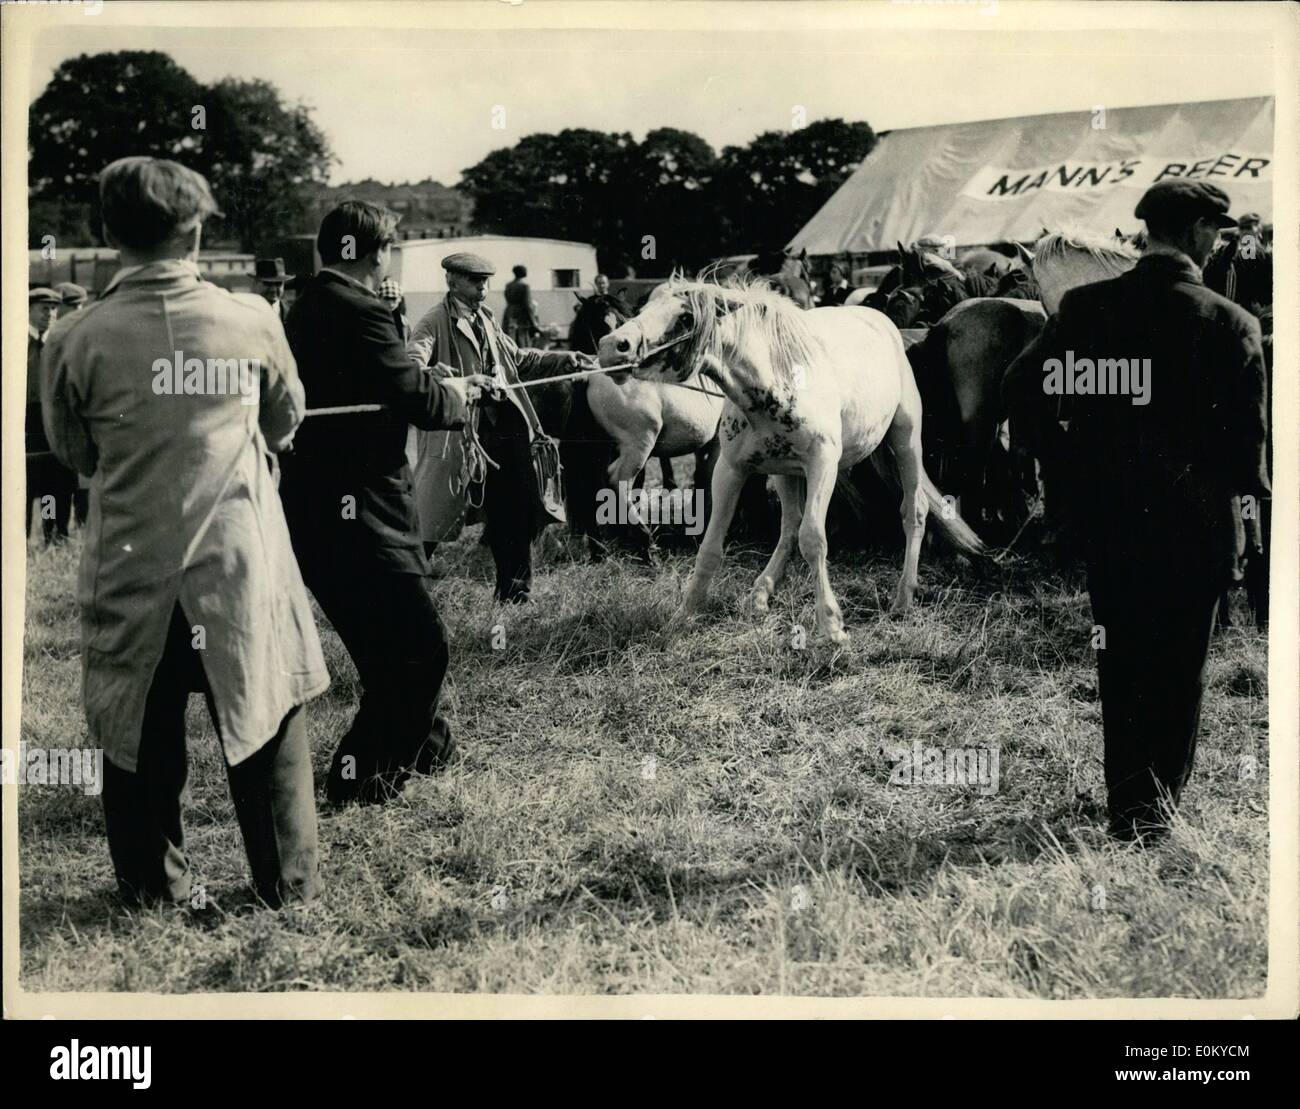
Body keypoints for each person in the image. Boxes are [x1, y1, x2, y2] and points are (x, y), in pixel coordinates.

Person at [41, 156, 329, 908]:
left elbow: (73, 453)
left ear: (107, 232)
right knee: (265, 715)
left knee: (137, 733)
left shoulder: (71, 337)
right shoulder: (253, 319)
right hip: (236, 562)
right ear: (197, 230)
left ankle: (153, 887)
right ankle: (285, 886)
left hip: (131, 565)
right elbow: (285, 421)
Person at [1003, 179, 1269, 843]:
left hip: (1110, 521)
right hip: (1198, 527)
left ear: (1149, 229)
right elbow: (1248, 456)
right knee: (1180, 669)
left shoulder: (1087, 309)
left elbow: (1020, 388)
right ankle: (1159, 810)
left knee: (1121, 663)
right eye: (1216, 230)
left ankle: (1126, 808)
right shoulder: (1232, 323)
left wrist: (1065, 466)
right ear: (1202, 234)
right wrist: (1251, 531)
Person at [279, 201, 492, 805]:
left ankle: (429, 748)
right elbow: (415, 397)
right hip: (363, 515)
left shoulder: (305, 307)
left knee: (385, 654)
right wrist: (459, 393)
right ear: (376, 253)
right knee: (422, 649)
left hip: (311, 514)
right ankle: (361, 782)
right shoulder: (364, 311)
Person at [407, 252, 592, 603]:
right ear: (452, 281)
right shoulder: (433, 321)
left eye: (485, 281)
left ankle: (515, 593)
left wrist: (566, 358)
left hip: (505, 432)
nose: (483, 288)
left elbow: (520, 359)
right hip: (460, 436)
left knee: (516, 510)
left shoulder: (488, 319)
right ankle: (401, 593)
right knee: (431, 519)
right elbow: (411, 364)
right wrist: (437, 375)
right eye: (476, 281)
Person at [27, 287, 78, 544]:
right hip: (26, 423)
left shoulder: (60, 345)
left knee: (55, 484)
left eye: (54, 309)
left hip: (55, 421)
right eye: (43, 308)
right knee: (25, 486)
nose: (50, 314)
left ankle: (54, 536)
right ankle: (20, 539)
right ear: (29, 310)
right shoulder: (16, 343)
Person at [502, 263, 540, 347]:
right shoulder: (524, 286)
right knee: (522, 341)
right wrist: (533, 323)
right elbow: (527, 305)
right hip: (521, 315)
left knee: (509, 340)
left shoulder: (508, 285)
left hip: (509, 313)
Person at [254, 257, 293, 322]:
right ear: (256, 283)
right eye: (267, 283)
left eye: (278, 283)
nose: (273, 290)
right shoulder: (247, 312)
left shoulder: (293, 313)